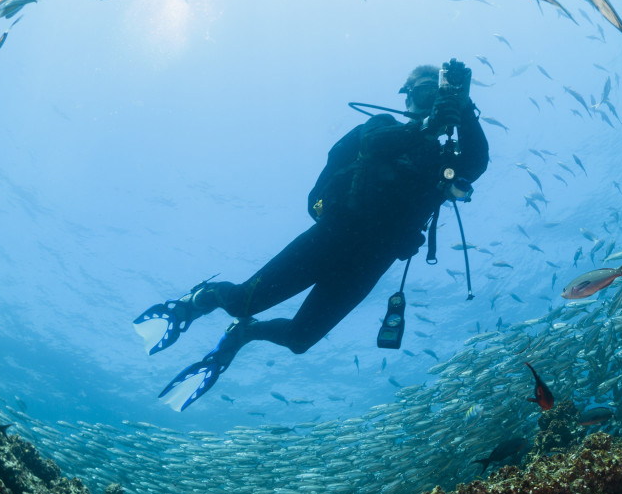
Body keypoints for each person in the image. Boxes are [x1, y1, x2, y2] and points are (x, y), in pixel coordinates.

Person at [135, 60, 490, 410]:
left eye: (437, 94)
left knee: (300, 339)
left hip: (371, 262)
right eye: (424, 93)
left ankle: (243, 333)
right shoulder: (381, 125)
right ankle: (198, 298)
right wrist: (427, 125)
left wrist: (466, 109)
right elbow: (377, 144)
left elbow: (475, 164)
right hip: (330, 238)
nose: (430, 102)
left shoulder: (442, 158)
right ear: (407, 98)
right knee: (243, 302)